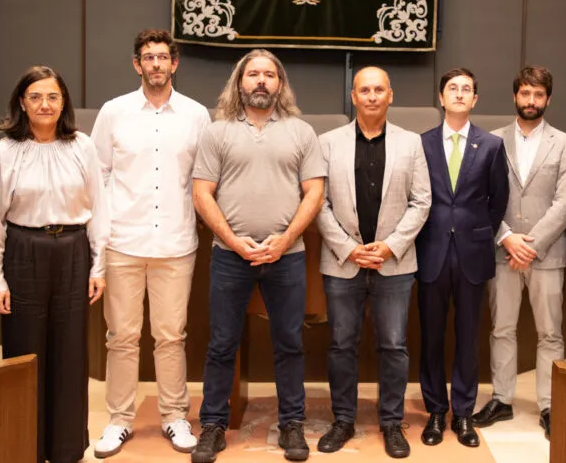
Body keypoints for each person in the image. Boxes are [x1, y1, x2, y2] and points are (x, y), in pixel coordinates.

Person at [191, 49, 325, 463]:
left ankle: (292, 425)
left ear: (280, 84)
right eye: (253, 74)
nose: (261, 81)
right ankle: (213, 426)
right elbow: (201, 193)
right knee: (221, 345)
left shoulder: (302, 132)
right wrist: (233, 240)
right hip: (232, 256)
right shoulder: (217, 132)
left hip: (286, 256)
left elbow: (315, 192)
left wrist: (284, 240)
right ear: (239, 82)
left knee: (288, 344)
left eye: (269, 74)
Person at [92, 29, 211, 457]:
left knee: (170, 336)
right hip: (122, 241)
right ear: (136, 64)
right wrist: (99, 241)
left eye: (163, 57)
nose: (156, 64)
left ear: (174, 64)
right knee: (121, 336)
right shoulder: (114, 112)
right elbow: (98, 176)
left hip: (177, 244)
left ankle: (175, 416)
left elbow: (204, 179)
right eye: (148, 57)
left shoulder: (197, 115)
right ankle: (119, 420)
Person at [0, 65, 109, 463]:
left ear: (63, 101)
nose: (45, 104)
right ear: (22, 102)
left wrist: (98, 265)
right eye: (35, 96)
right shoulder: (4, 152)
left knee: (71, 354)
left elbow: (99, 209)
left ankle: (67, 449)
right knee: (25, 353)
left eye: (53, 96)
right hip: (23, 251)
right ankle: (25, 446)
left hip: (73, 252)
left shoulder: (82, 146)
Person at [316, 66, 431, 459]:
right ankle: (343, 420)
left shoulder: (411, 143)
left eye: (378, 89)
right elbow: (319, 203)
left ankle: (390, 423)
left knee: (394, 346)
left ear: (390, 95)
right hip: (342, 262)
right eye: (364, 90)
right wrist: (348, 248)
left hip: (394, 265)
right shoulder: (327, 142)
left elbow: (421, 202)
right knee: (341, 345)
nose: (371, 96)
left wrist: (389, 246)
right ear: (353, 96)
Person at [473, 66, 566, 440]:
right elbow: (482, 197)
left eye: (538, 95)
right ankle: (502, 398)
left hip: (546, 254)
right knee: (502, 328)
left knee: (551, 333)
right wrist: (507, 239)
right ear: (515, 96)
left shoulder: (565, 144)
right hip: (502, 251)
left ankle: (550, 404)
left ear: (548, 99)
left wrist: (529, 245)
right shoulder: (492, 141)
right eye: (525, 94)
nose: (531, 101)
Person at [414, 67, 508, 448]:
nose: (458, 94)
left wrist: (477, 230)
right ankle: (436, 411)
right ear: (441, 97)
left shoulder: (490, 145)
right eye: (452, 88)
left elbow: (498, 199)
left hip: (473, 251)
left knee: (469, 337)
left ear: (475, 100)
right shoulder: (421, 143)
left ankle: (464, 413)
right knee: (432, 335)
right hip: (431, 249)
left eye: (466, 89)